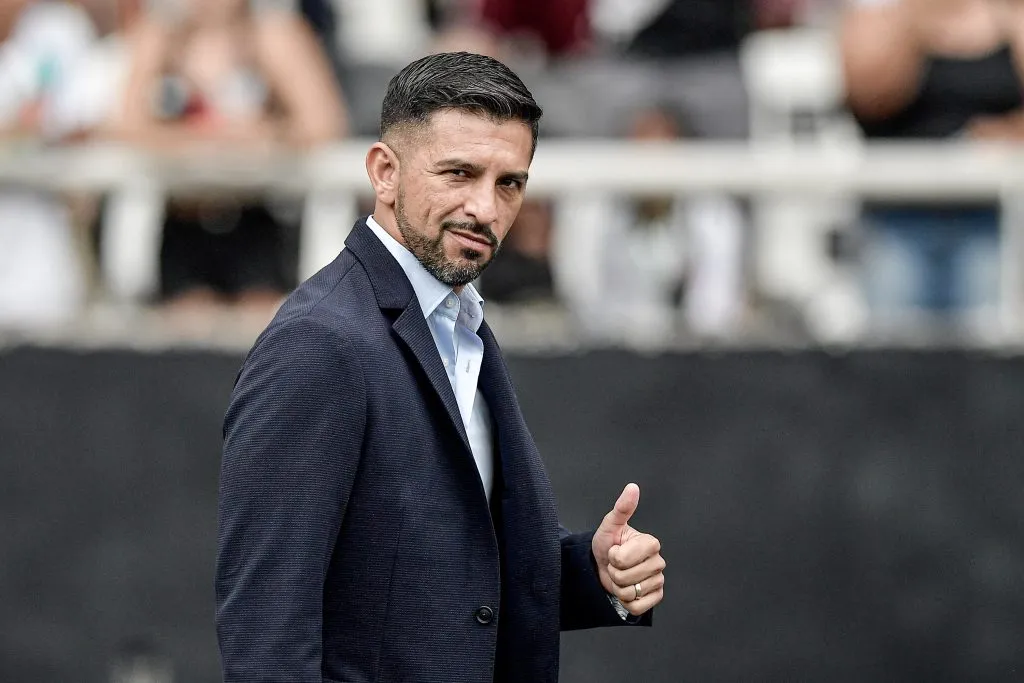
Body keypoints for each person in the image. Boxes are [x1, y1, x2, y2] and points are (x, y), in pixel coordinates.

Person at [216, 51, 666, 682]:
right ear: (383, 172)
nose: (486, 208)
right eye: (460, 173)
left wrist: (594, 576)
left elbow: (452, 588)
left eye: (510, 182)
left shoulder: (460, 323)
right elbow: (266, 632)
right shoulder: (319, 341)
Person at [841, 0, 1024, 324]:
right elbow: (871, 96)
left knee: (986, 362)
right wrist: (921, 22)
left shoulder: (1009, 14)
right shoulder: (882, 14)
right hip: (897, 221)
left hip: (988, 220)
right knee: (895, 356)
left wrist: (998, 136)